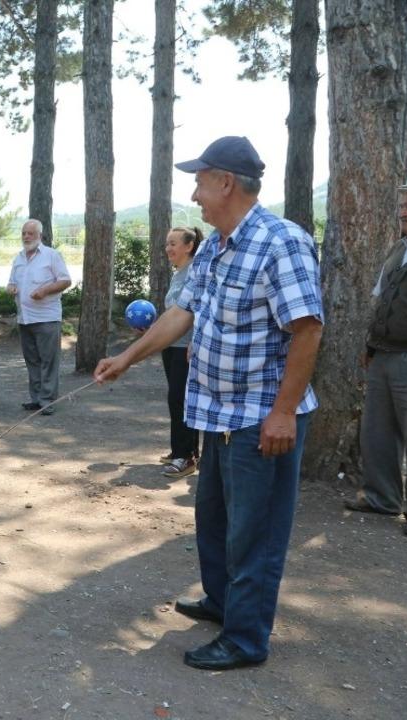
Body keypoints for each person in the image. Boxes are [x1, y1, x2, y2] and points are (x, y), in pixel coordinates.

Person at [94, 136, 324, 671]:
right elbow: (182, 314)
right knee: (215, 520)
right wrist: (128, 357)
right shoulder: (217, 248)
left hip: (259, 419)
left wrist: (284, 411)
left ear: (226, 182)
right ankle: (223, 603)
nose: (195, 194)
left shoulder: (279, 242)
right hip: (215, 414)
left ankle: (245, 639)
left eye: (200, 182)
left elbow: (308, 330)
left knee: (255, 531)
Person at [344, 183, 407, 538]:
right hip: (383, 354)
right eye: (402, 206)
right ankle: (382, 496)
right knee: (377, 431)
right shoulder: (398, 249)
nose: (402, 212)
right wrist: (369, 344)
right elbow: (380, 299)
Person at [6, 219, 72, 417]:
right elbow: (10, 283)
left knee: (48, 361)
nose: (26, 237)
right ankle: (36, 398)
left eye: (30, 233)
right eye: (24, 233)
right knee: (32, 360)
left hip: (46, 318)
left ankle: (47, 400)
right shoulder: (18, 258)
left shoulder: (51, 256)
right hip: (24, 319)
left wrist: (44, 290)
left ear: (39, 236)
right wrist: (10, 289)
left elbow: (65, 280)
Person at [158, 227, 202, 478]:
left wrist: (195, 340)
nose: (168, 249)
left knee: (180, 399)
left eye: (173, 243)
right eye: (166, 244)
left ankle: (185, 456)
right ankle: (181, 449)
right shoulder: (179, 274)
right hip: (171, 345)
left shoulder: (194, 272)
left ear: (189, 246)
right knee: (177, 399)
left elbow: (198, 310)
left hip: (186, 348)